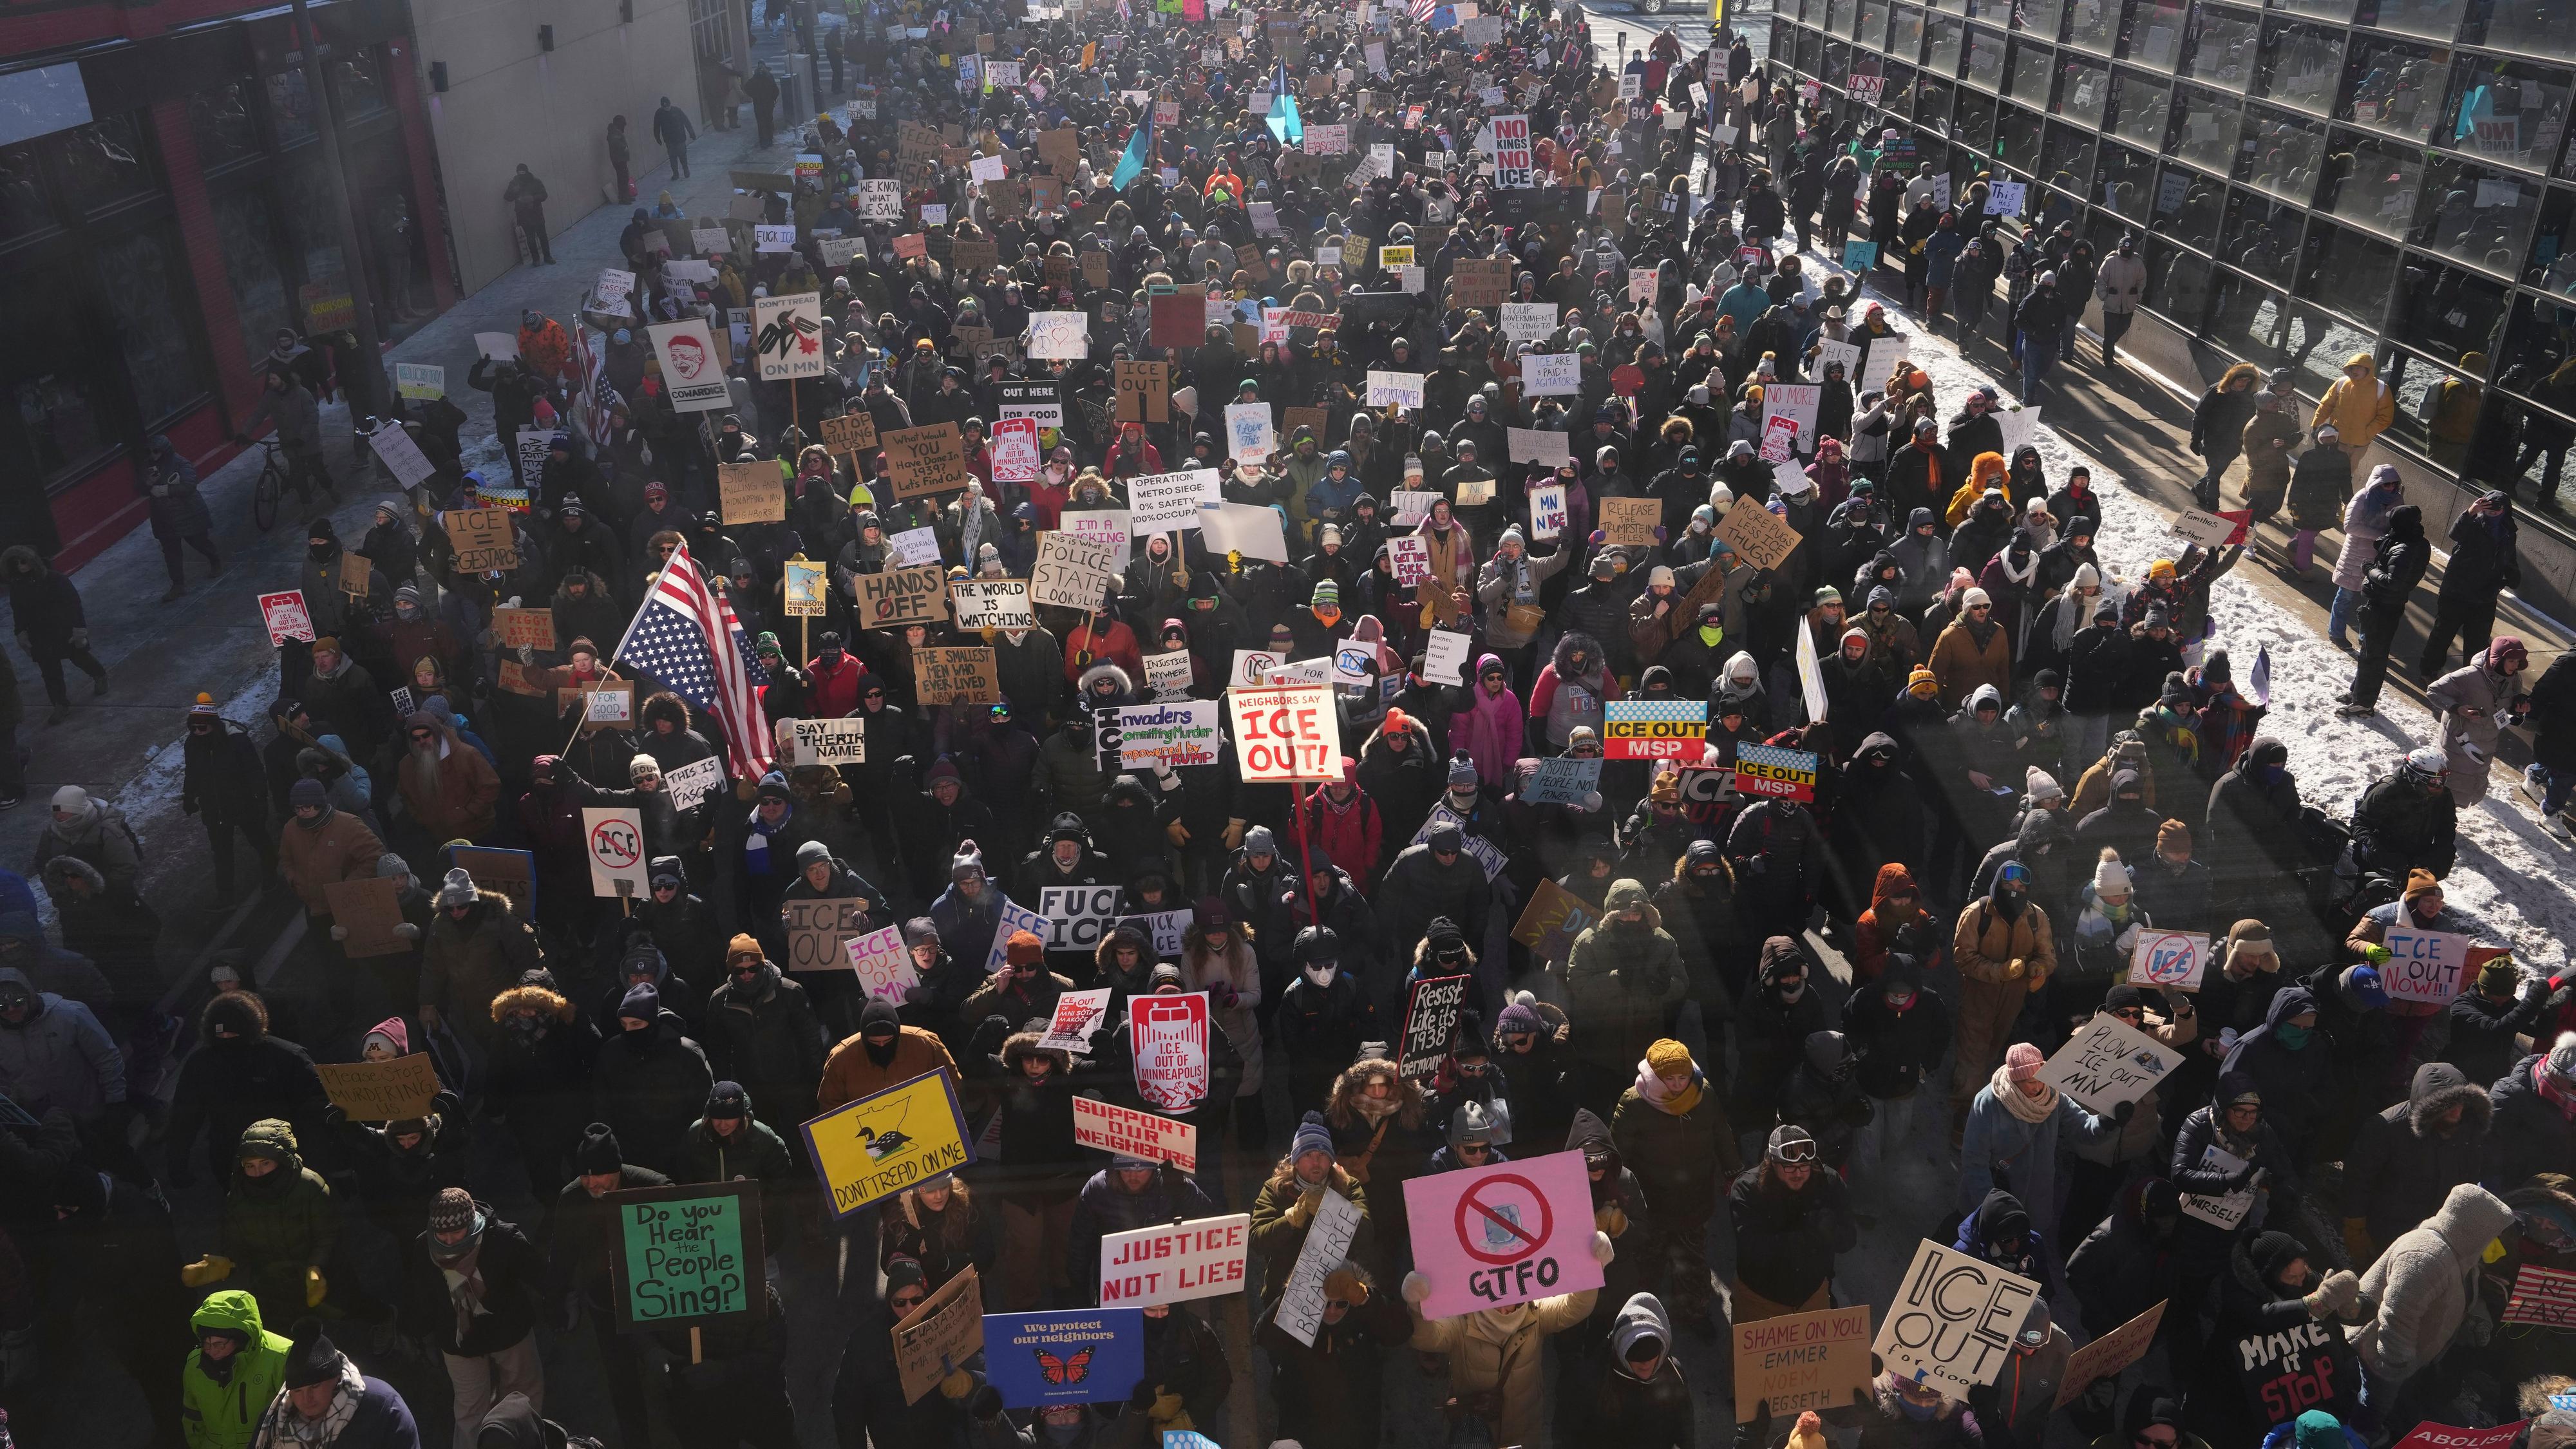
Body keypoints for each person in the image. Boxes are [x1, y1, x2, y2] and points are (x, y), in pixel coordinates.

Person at [1611, 1038, 1739, 1336]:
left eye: (1683, 1077)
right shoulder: (1634, 1102)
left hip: (1694, 1198)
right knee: (1648, 1263)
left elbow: (1721, 1132)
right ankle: (1642, 1317)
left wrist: (1733, 1169)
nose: (1679, 1085)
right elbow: (1619, 1153)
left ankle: (1693, 1313)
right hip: (1650, 1202)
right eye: (1670, 1079)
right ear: (1655, 1076)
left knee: (1692, 1264)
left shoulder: (1703, 1093)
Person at [396, 1189, 543, 1446]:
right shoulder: (423, 1248)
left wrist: (559, 1304)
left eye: (458, 1233)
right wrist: (414, 1333)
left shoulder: (502, 1238)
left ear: (472, 1222)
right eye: (443, 1234)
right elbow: (419, 1296)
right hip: (459, 1342)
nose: (450, 1242)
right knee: (470, 1409)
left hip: (509, 1333)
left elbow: (539, 1275)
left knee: (522, 1395)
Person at [253, 1319, 422, 1448]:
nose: (307, 1399)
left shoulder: (382, 1407)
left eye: (315, 1386)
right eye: (297, 1391)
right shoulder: (275, 1421)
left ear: (337, 1379)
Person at [2337, 504, 2429, 717]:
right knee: (2368, 652)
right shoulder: (2409, 540)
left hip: (2384, 607)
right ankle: (2357, 693)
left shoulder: (2406, 549)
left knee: (2374, 657)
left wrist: (2370, 570)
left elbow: (2393, 581)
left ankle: (2364, 703)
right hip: (2381, 605)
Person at [184, 1289, 294, 1449]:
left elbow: (296, 1419)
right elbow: (192, 1416)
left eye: (219, 1344)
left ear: (241, 1338)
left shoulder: (282, 1357)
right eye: (206, 1343)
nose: (211, 1350)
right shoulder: (195, 1363)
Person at [144, 433, 222, 600]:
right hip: (163, 517)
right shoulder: (149, 465)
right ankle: (178, 585)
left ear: (165, 450)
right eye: (150, 452)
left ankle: (215, 560)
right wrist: (148, 483)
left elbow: (189, 485)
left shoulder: (180, 463)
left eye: (156, 451)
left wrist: (165, 490)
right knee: (171, 552)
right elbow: (139, 487)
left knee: (198, 542)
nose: (153, 455)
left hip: (187, 512)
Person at [504, 164, 552, 264]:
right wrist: (513, 191)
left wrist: (533, 198)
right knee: (530, 238)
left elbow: (544, 195)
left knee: (542, 236)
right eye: (519, 172)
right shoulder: (514, 183)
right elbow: (507, 198)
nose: (521, 174)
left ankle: (548, 257)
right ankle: (536, 259)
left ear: (527, 171)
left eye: (523, 172)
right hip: (523, 214)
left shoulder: (536, 181)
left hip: (536, 213)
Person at [652, 95, 696, 177]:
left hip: (680, 138)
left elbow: (686, 122)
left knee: (682, 155)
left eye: (668, 106)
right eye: (665, 107)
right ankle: (675, 173)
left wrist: (691, 133)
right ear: (662, 106)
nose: (667, 109)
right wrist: (657, 138)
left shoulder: (677, 111)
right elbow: (656, 126)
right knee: (672, 157)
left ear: (670, 104)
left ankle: (686, 170)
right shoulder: (659, 113)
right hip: (669, 140)